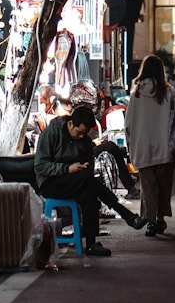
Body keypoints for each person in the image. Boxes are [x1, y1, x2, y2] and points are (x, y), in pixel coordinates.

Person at [34, 102, 147, 257]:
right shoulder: (51, 133)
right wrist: (67, 168)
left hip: (77, 182)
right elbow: (40, 166)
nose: (82, 137)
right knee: (89, 184)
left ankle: (92, 244)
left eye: (85, 133)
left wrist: (83, 167)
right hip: (50, 183)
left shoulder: (85, 141)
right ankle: (127, 216)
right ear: (71, 123)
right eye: (79, 133)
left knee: (90, 192)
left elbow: (88, 170)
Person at [126, 55, 175, 237]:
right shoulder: (170, 93)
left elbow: (128, 124)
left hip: (143, 146)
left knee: (148, 185)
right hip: (165, 146)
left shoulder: (136, 94)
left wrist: (130, 145)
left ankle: (151, 220)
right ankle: (159, 218)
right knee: (163, 184)